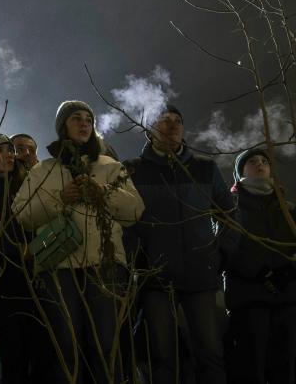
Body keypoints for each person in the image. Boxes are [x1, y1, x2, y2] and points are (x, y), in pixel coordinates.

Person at [12, 100, 144, 384]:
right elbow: (21, 215)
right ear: (62, 127)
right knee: (64, 347)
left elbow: (135, 211)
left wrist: (103, 193)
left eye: (88, 119)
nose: (84, 123)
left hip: (106, 266)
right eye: (76, 118)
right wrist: (60, 199)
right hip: (59, 267)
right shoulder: (43, 170)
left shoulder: (110, 167)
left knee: (105, 346)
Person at [123, 105, 237, 384]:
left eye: (177, 121)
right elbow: (125, 222)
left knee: (210, 354)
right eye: (164, 121)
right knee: (161, 358)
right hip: (155, 279)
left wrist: (220, 254)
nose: (172, 126)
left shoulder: (204, 168)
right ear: (150, 131)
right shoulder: (134, 170)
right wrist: (136, 259)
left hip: (200, 276)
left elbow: (230, 215)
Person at [0, 131, 44, 384]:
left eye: (10, 149)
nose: (10, 154)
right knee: (12, 356)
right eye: (1, 150)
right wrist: (15, 250)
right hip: (0, 284)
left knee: (37, 355)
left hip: (30, 283)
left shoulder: (24, 189)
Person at [224, 149, 296, 384]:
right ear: (240, 172)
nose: (260, 164)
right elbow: (228, 247)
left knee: (285, 367)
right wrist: (260, 271)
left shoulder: (288, 208)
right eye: (252, 161)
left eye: (264, 161)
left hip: (286, 298)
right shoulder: (231, 207)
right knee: (250, 367)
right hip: (249, 299)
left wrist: (288, 271)